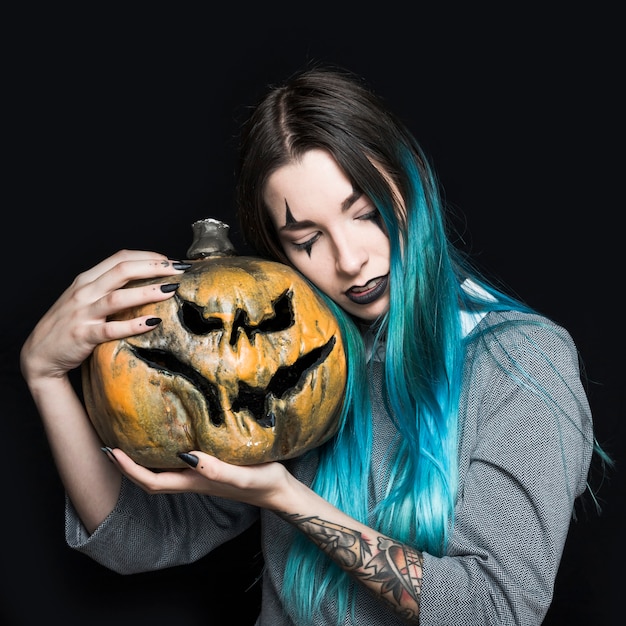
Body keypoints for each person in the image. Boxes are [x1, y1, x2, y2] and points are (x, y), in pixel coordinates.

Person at [20, 65, 611, 625]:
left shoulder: (523, 363)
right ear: (277, 255)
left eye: (367, 214)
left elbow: (494, 611)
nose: (350, 260)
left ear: (412, 185)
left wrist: (287, 496)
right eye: (308, 241)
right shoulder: (289, 376)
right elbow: (137, 539)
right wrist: (46, 377)